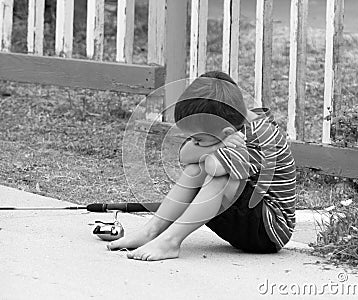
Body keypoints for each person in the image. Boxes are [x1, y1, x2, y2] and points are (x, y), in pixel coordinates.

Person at [107, 71, 296, 261]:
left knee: (218, 176)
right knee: (194, 168)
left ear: (227, 131)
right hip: (246, 220)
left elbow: (214, 167)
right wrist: (219, 144)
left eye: (198, 139)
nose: (194, 143)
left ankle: (170, 242)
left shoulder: (258, 136)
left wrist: (210, 150)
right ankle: (151, 231)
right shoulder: (232, 125)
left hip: (267, 230)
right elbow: (185, 155)